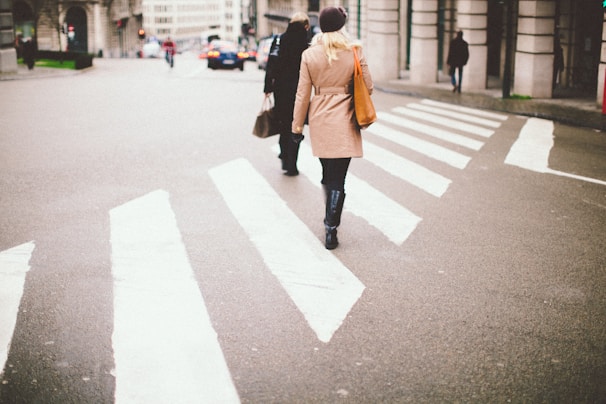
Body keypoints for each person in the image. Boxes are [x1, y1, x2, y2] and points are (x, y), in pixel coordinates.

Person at [291, 6, 373, 250]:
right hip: (346, 118)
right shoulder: (354, 51)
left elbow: (302, 94)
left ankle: (330, 219)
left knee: (328, 175)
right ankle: (331, 226)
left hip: (320, 119)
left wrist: (296, 127)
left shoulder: (309, 54)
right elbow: (368, 86)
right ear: (341, 26)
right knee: (340, 177)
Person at [264, 12, 311, 176]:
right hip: (300, 92)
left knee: (284, 124)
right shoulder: (306, 44)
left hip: (281, 90)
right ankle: (292, 165)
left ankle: (285, 156)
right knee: (296, 127)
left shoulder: (279, 40)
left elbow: (271, 65)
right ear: (305, 26)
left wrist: (267, 88)